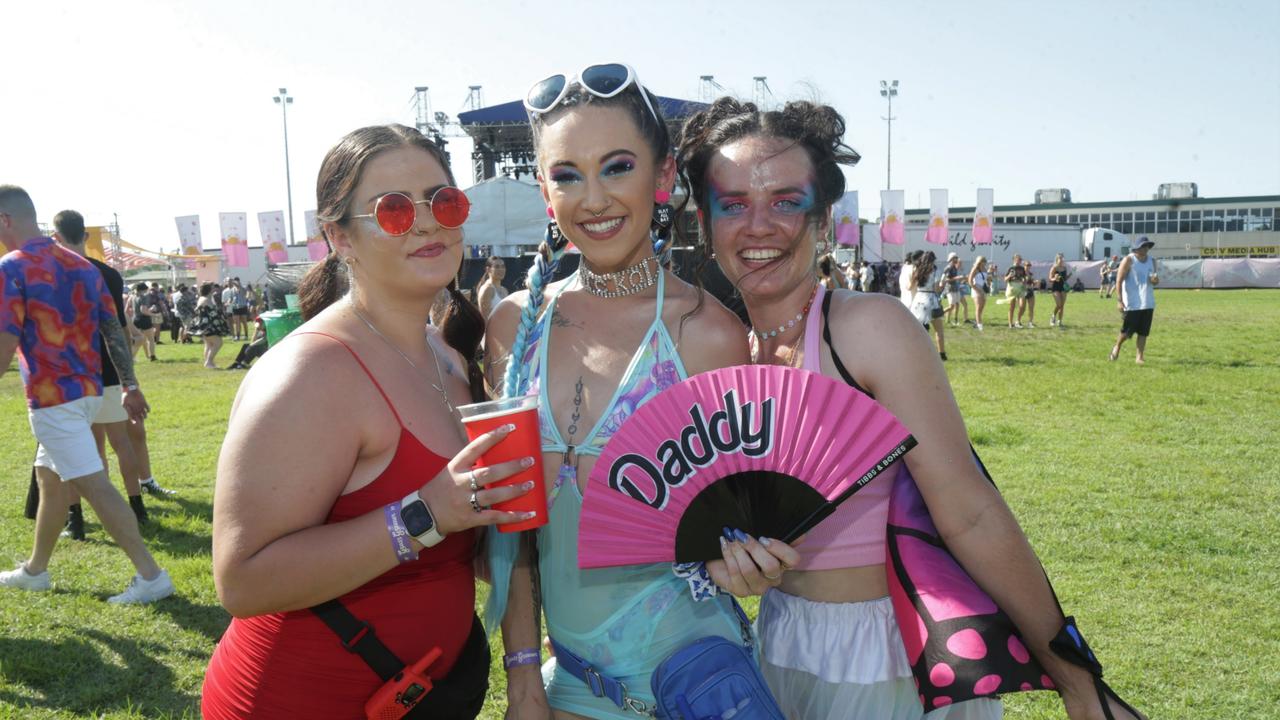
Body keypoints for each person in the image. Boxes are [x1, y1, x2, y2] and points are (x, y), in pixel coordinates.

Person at [678, 98, 1145, 720]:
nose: (758, 225)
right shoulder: (720, 351)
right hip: (777, 648)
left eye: (786, 201)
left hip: (887, 660)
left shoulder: (867, 328)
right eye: (732, 204)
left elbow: (971, 514)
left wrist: (1079, 683)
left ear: (822, 220)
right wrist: (724, 562)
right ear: (706, 225)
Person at [202, 124, 535, 719]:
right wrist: (426, 514)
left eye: (443, 201)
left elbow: (459, 539)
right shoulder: (313, 371)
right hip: (297, 700)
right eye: (395, 210)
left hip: (429, 693)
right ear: (339, 237)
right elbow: (243, 580)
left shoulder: (449, 356)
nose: (429, 221)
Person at [483, 64, 756, 719]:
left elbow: (737, 522)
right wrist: (522, 680)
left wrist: (748, 556)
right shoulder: (514, 328)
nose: (595, 198)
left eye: (617, 166)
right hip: (569, 683)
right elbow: (512, 533)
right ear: (547, 195)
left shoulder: (707, 335)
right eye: (568, 174)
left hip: (694, 683)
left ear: (663, 178)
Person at [0, 185, 173, 604]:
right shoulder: (81, 265)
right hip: (89, 392)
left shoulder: (12, 267)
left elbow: (5, 339)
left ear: (5, 222)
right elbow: (113, 331)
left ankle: (151, 576)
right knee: (50, 478)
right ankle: (35, 570)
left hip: (53, 398)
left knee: (94, 485)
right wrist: (129, 383)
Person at [50, 210, 150, 535]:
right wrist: (128, 378)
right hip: (107, 368)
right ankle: (136, 507)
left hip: (68, 373)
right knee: (121, 442)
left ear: (56, 236)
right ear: (86, 235)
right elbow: (119, 329)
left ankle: (76, 518)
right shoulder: (108, 273)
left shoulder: (51, 273)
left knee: (82, 449)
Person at [1109, 236, 1159, 364]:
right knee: (1127, 333)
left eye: (1147, 246)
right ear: (1136, 247)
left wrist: (1155, 281)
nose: (1146, 248)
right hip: (1132, 303)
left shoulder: (1152, 261)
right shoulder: (1128, 260)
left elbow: (1155, 280)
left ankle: (1139, 357)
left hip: (1148, 302)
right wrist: (1119, 300)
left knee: (1143, 332)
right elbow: (1118, 281)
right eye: (1143, 246)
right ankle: (1117, 346)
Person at [909, 251, 947, 360]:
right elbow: (937, 289)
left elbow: (910, 287)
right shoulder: (936, 271)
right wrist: (943, 284)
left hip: (918, 300)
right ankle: (942, 354)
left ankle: (919, 352)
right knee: (938, 330)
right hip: (931, 299)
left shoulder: (917, 270)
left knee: (920, 330)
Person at [190, 282, 230, 369]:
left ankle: (209, 362)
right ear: (209, 290)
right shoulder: (205, 300)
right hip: (209, 325)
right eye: (212, 288)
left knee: (209, 344)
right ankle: (208, 362)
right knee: (218, 343)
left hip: (206, 325)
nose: (214, 289)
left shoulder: (204, 298)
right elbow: (210, 311)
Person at [126, 282, 159, 360]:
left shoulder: (132, 297)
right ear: (143, 290)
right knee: (151, 339)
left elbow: (129, 308)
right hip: (144, 320)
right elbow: (143, 310)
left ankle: (132, 356)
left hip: (136, 319)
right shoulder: (143, 297)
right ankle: (152, 356)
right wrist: (154, 314)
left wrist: (150, 309)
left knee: (139, 340)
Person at [475, 255, 509, 319]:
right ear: (488, 269)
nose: (501, 270)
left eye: (503, 266)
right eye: (497, 267)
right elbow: (485, 319)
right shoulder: (487, 289)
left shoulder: (504, 290)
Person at [943, 252, 970, 327]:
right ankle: (939, 314)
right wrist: (959, 277)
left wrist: (962, 278)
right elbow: (947, 280)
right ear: (952, 259)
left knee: (957, 304)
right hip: (950, 289)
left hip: (956, 288)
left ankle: (955, 320)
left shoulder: (954, 267)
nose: (957, 259)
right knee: (951, 306)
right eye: (955, 258)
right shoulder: (948, 268)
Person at [1004, 254, 1026, 328]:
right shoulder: (1010, 268)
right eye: (1018, 259)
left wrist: (1024, 280)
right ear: (1014, 259)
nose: (1019, 261)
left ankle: (1018, 321)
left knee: (1022, 306)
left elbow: (1024, 277)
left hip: (1020, 287)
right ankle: (1010, 324)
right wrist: (1009, 275)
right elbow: (1005, 279)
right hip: (1012, 288)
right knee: (1012, 307)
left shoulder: (1022, 268)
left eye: (1020, 259)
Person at [1048, 253, 1071, 328]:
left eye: (1062, 258)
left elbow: (1065, 278)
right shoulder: (1054, 268)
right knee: (1058, 304)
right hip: (1056, 288)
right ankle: (1053, 317)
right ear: (1057, 260)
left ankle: (1060, 322)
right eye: (1060, 258)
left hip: (1063, 287)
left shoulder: (1064, 268)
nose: (1061, 260)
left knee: (1062, 306)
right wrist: (1055, 279)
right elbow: (1050, 279)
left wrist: (1071, 273)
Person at [967, 255, 988, 331]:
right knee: (978, 307)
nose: (984, 263)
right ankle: (980, 326)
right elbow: (970, 281)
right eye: (983, 261)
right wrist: (977, 289)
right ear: (979, 262)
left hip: (983, 288)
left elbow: (985, 278)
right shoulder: (975, 269)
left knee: (982, 307)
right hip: (976, 288)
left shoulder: (985, 269)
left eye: (984, 262)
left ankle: (977, 322)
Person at [1019, 259, 1037, 328]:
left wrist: (1035, 282)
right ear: (1024, 266)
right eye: (1027, 265)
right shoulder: (1021, 274)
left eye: (1029, 265)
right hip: (1023, 291)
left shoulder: (1031, 274)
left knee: (1031, 308)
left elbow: (1032, 283)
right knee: (1022, 308)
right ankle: (1018, 321)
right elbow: (1021, 283)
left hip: (1030, 291)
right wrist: (1025, 280)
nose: (1028, 266)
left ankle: (1030, 322)